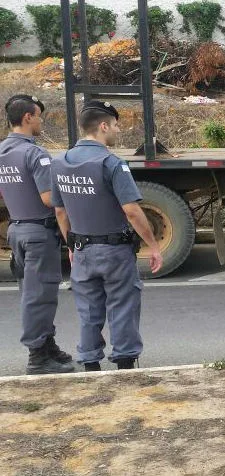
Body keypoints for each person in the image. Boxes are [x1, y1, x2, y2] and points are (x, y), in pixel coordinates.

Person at [51, 101, 163, 371]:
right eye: (114, 125)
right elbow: (132, 212)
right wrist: (154, 245)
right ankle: (125, 365)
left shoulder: (60, 163)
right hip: (115, 252)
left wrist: (70, 244)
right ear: (103, 126)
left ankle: (90, 365)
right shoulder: (111, 163)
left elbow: (60, 211)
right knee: (122, 305)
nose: (117, 129)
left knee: (88, 310)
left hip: (82, 249)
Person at [0, 94, 74, 375]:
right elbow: (49, 200)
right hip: (38, 233)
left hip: (17, 230)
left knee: (31, 294)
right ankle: (38, 358)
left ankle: (47, 346)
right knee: (40, 296)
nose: (41, 121)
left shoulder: (3, 151)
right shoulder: (35, 154)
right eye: (39, 116)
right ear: (28, 118)